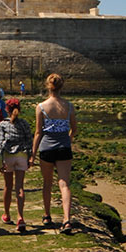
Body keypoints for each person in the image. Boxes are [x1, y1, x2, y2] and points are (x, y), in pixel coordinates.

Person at [31, 73, 77, 234]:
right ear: (61, 87)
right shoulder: (69, 106)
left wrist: (32, 154)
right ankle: (66, 219)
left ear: (47, 86)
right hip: (64, 147)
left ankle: (47, 215)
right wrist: (67, 139)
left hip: (46, 148)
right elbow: (74, 129)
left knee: (47, 183)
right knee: (64, 184)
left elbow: (38, 132)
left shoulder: (42, 107)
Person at [0, 97, 33, 233]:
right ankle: (20, 217)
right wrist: (30, 157)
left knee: (7, 186)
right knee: (20, 187)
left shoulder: (2, 125)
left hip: (8, 156)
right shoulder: (24, 124)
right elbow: (29, 141)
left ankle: (7, 214)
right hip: (21, 155)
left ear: (7, 109)